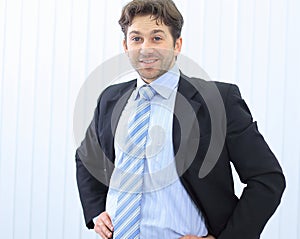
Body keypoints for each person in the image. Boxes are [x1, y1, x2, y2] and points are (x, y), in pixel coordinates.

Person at [75, 0, 285, 238]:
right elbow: (86, 159)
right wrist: (96, 211)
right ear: (125, 46)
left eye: (157, 38)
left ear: (177, 45)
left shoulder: (219, 101)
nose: (146, 48)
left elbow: (267, 178)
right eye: (136, 39)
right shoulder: (110, 99)